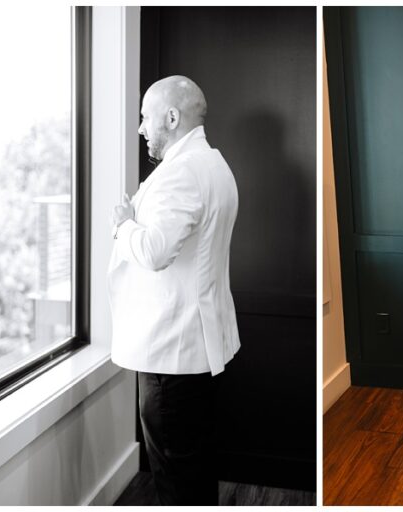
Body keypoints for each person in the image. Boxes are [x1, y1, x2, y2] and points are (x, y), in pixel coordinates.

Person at [108, 75, 241, 504]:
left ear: (171, 117)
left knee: (174, 481)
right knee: (194, 470)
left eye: (147, 118)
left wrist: (123, 224)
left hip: (171, 355)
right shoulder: (215, 164)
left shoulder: (180, 174)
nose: (143, 128)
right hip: (195, 350)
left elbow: (154, 251)